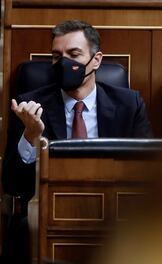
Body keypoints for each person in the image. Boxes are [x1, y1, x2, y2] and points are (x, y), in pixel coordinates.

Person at [1, 20, 152, 263]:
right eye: (56, 56)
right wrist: (30, 134)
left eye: (74, 54)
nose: (64, 63)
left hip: (112, 214)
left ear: (96, 60)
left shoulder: (129, 105)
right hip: (52, 212)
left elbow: (147, 173)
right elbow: (13, 185)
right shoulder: (29, 106)